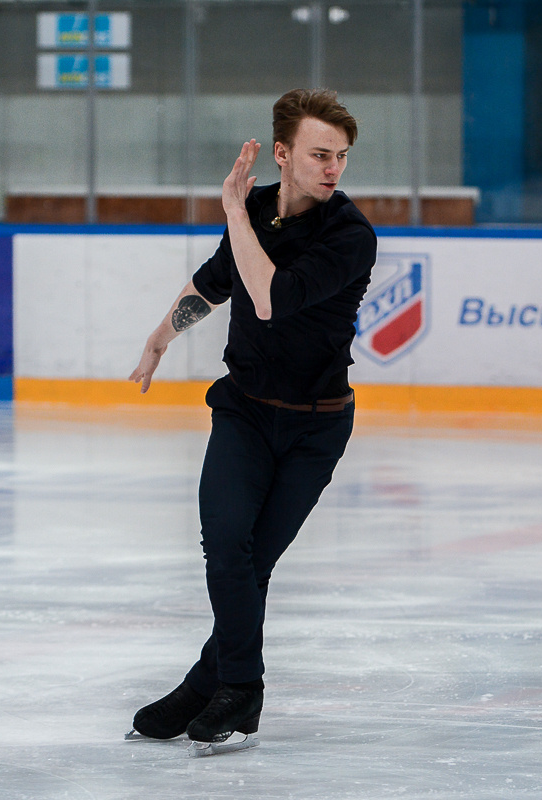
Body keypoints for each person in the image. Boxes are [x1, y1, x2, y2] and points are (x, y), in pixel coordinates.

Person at [127, 88, 377, 751]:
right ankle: (239, 686)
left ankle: (208, 686)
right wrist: (160, 338)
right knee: (225, 544)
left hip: (314, 430)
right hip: (244, 412)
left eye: (342, 157)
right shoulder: (258, 208)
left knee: (252, 563)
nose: (333, 168)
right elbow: (216, 280)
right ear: (284, 154)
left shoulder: (349, 236)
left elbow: (267, 297)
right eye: (320, 154)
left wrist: (233, 211)